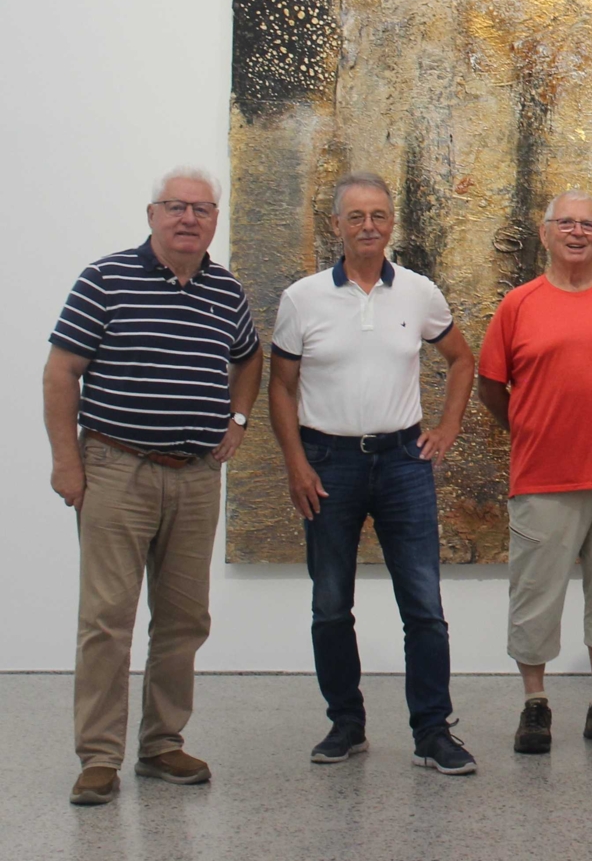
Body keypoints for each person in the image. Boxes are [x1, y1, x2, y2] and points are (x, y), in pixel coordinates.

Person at [44, 168, 263, 806]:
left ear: (215, 220)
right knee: (107, 620)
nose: (188, 218)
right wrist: (67, 462)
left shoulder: (226, 292)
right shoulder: (104, 279)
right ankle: (99, 758)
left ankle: (162, 744)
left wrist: (239, 419)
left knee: (183, 619)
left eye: (201, 209)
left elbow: (249, 358)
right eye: (176, 207)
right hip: (117, 469)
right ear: (151, 214)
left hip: (196, 477)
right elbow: (61, 374)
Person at [267, 173, 477, 775]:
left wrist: (447, 428)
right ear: (336, 225)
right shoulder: (303, 299)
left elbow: (461, 360)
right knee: (331, 604)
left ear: (392, 223)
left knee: (424, 607)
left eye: (379, 215)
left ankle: (432, 731)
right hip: (327, 464)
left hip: (402, 463)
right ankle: (346, 724)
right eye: (355, 216)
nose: (368, 226)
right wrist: (296, 463)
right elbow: (281, 388)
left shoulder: (417, 292)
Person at [477, 191, 592, 756]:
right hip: (544, 478)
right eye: (566, 223)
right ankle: (535, 704)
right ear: (545, 232)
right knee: (535, 597)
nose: (578, 232)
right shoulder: (518, 305)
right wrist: (537, 427)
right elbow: (491, 386)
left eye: (588, 224)